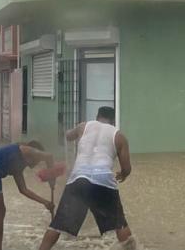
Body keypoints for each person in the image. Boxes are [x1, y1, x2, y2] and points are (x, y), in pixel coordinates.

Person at [38, 106, 136, 250]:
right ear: (113, 120)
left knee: (57, 226)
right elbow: (127, 168)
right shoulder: (119, 136)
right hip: (103, 181)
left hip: (78, 179)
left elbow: (67, 136)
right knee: (120, 224)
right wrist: (123, 174)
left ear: (97, 117)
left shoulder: (83, 126)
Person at [0, 140, 56, 250]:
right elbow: (49, 156)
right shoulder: (26, 149)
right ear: (34, 153)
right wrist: (52, 179)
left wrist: (45, 202)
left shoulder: (17, 166)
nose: (35, 164)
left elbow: (23, 190)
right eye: (37, 161)